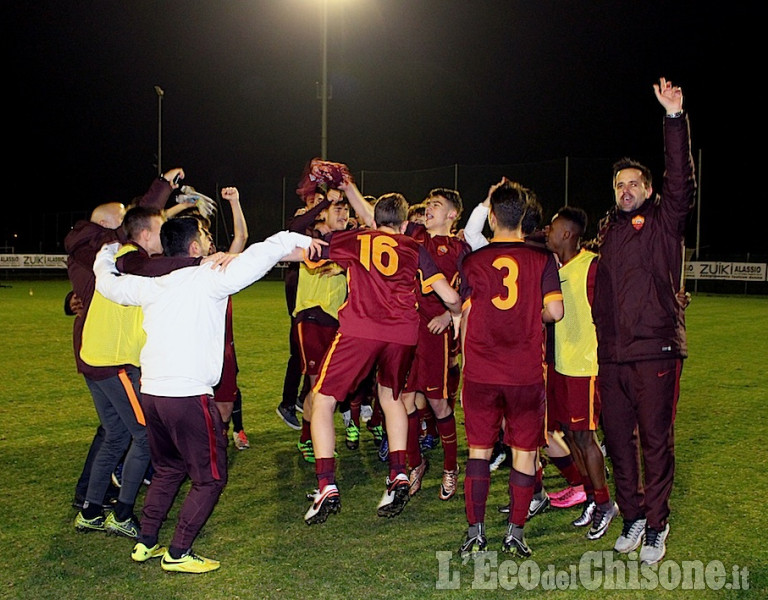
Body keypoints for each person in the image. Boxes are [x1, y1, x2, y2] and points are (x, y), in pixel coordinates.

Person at [94, 213, 322, 573]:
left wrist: (104, 256)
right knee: (211, 478)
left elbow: (109, 285)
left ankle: (146, 541)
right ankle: (178, 552)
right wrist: (300, 240)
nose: (213, 242)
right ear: (195, 247)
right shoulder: (208, 278)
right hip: (187, 397)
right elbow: (262, 254)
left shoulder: (155, 283)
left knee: (169, 469)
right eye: (206, 235)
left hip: (152, 394)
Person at [302, 164, 462, 526]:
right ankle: (399, 473)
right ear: (406, 224)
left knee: (324, 400)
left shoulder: (358, 238)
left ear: (374, 220)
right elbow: (450, 296)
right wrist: (455, 314)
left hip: (361, 328)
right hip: (404, 333)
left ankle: (326, 483)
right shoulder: (413, 246)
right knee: (392, 400)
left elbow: (312, 252)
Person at [591, 78, 696, 565]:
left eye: (634, 183)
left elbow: (682, 182)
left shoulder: (664, 218)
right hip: (612, 356)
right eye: (619, 185)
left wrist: (674, 118)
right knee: (617, 442)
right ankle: (632, 515)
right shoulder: (607, 229)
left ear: (649, 190)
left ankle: (657, 523)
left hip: (655, 348)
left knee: (655, 442)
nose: (626, 190)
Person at [64, 169, 186, 527]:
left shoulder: (114, 255)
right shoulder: (129, 257)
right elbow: (149, 246)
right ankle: (122, 513)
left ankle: (89, 510)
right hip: (113, 362)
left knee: (116, 434)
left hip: (98, 359)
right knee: (146, 436)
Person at [457, 179, 563, 559]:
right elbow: (556, 311)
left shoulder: (472, 260)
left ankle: (475, 531)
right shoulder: (541, 259)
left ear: (491, 216)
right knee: (523, 453)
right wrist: (527, 315)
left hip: (482, 371)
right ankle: (515, 533)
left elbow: (466, 313)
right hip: (524, 373)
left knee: (479, 451)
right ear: (525, 219)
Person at [545, 206, 616, 540]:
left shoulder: (591, 267)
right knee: (571, 434)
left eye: (553, 228)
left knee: (586, 437)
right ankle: (589, 496)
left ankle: (605, 504)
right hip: (562, 364)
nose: (547, 231)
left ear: (567, 234)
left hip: (585, 366)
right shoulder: (557, 268)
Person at [400, 188, 471, 502]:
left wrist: (448, 314)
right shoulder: (415, 237)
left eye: (437, 205)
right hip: (406, 331)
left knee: (439, 403)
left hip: (435, 334)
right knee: (404, 401)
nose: (429, 208)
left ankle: (451, 466)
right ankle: (415, 464)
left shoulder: (460, 248)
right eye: (428, 203)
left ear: (452, 215)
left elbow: (471, 292)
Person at [276, 182, 327, 430]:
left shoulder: (329, 228)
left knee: (309, 355)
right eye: (313, 201)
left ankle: (297, 399)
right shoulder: (304, 222)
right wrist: (323, 205)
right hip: (300, 287)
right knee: (299, 349)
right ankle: (288, 403)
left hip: (321, 300)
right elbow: (294, 230)